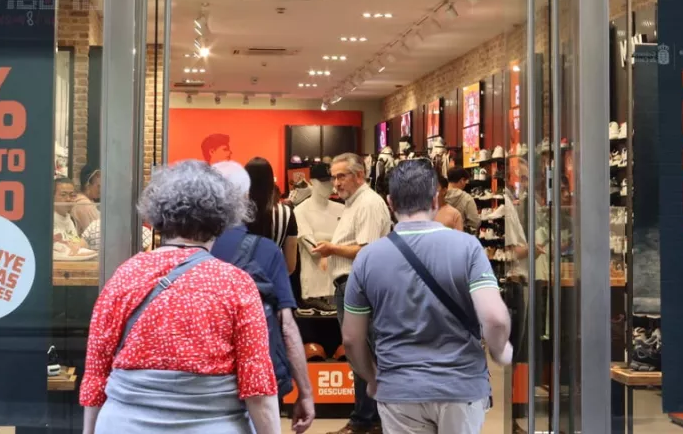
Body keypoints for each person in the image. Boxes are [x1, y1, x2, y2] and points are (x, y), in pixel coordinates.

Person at [79, 160, 281, 434]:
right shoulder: (235, 284)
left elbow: (96, 371)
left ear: (159, 215)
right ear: (221, 220)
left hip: (124, 424)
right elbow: (257, 385)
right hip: (214, 425)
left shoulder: (126, 275)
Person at [340, 160, 512, 434]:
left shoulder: (367, 258)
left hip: (399, 389)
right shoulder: (468, 248)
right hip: (461, 387)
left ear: (390, 203)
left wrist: (372, 378)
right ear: (435, 199)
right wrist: (500, 351)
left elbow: (351, 338)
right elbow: (495, 319)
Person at [212, 161, 316, 433]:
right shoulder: (276, 232)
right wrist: (305, 391)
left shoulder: (194, 250)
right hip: (259, 369)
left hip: (206, 378)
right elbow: (287, 325)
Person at [313, 153, 392, 434]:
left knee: (363, 354)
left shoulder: (368, 203)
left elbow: (367, 250)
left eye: (341, 176)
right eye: (334, 177)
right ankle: (368, 418)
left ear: (359, 175)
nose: (336, 183)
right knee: (360, 353)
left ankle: (367, 420)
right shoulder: (353, 204)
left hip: (359, 287)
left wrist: (332, 249)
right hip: (350, 286)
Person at [245, 157, 300, 274]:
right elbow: (290, 265)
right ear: (271, 182)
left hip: (237, 281)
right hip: (271, 280)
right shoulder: (286, 213)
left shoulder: (233, 212)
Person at [53, 177, 87, 254]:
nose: (68, 199)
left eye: (72, 195)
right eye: (63, 195)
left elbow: (76, 242)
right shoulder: (46, 220)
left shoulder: (71, 219)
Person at [75, 167, 103, 250]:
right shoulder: (85, 205)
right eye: (98, 186)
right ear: (88, 186)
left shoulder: (89, 201)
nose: (101, 190)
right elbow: (96, 232)